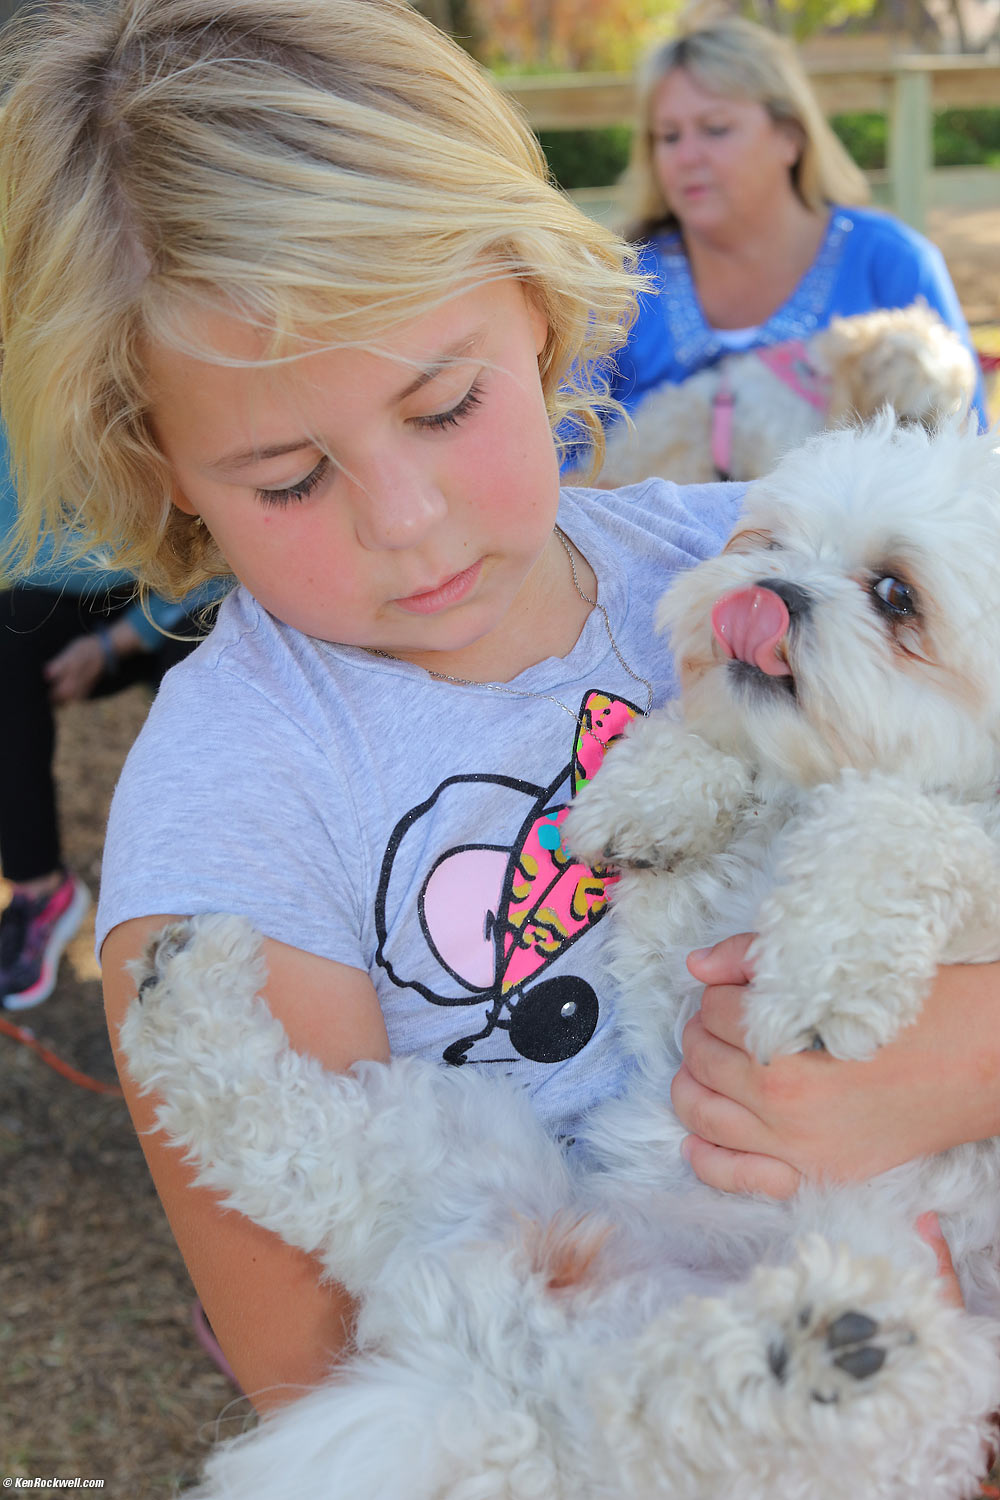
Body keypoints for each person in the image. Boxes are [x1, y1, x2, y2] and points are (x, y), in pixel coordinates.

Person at [0, 0, 989, 1416]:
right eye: (289, 478)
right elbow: (323, 1374)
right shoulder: (232, 806)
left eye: (445, 404)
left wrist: (973, 1056)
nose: (407, 523)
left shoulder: (773, 554)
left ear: (536, 307)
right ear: (155, 465)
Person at [605, 13, 988, 437]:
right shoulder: (616, 284)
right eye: (668, 136)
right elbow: (559, 464)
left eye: (715, 129)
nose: (687, 157)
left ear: (790, 137)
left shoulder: (891, 262)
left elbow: (967, 448)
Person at [0, 426, 220, 1010]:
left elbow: (225, 551)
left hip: (195, 587)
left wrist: (113, 644)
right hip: (75, 595)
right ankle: (38, 889)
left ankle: (210, 909)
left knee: (208, 664)